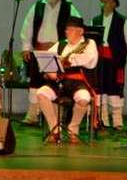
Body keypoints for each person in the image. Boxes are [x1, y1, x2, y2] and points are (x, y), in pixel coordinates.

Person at [20, 0, 82, 125]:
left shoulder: (69, 8)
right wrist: (26, 47)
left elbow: (78, 27)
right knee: (35, 82)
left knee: (56, 83)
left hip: (58, 52)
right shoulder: (38, 6)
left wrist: (71, 48)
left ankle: (57, 117)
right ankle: (32, 115)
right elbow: (27, 27)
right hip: (39, 49)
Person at [35, 16, 98, 144]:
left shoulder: (89, 44)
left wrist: (68, 59)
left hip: (78, 83)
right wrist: (49, 72)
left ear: (80, 31)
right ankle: (55, 129)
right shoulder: (61, 44)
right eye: (66, 30)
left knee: (84, 98)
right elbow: (46, 59)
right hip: (59, 82)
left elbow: (90, 61)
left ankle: (73, 129)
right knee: (41, 93)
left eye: (70, 29)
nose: (67, 32)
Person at [91, 0, 127, 130]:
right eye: (103, 1)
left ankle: (117, 121)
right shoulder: (95, 20)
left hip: (115, 59)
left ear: (115, 4)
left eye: (108, 1)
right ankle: (103, 119)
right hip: (100, 59)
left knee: (115, 89)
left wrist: (122, 59)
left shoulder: (123, 21)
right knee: (101, 88)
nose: (105, 4)